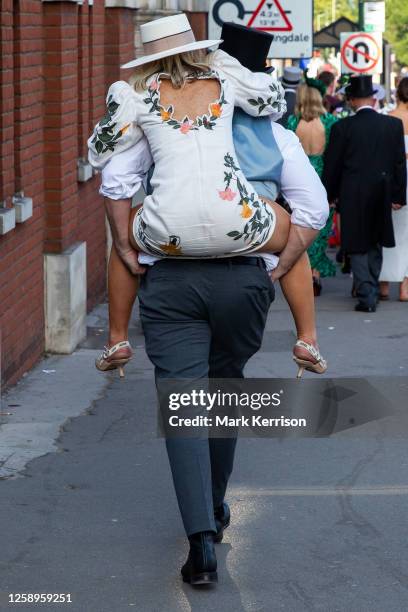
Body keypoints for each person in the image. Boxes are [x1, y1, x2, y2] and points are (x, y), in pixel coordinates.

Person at [88, 15, 329, 586]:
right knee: (224, 393)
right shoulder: (240, 96)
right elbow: (310, 209)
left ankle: (200, 537)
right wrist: (280, 266)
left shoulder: (138, 103)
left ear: (147, 58)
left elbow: (113, 177)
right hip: (243, 275)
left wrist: (125, 242)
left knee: (183, 405)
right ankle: (216, 511)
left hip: (171, 277)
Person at [323, 75, 407, 312]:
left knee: (357, 242)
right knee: (376, 240)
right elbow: (399, 163)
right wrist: (399, 196)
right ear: (373, 98)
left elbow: (333, 165)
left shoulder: (342, 128)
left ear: (351, 100)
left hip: (353, 192)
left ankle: (366, 291)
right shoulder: (392, 126)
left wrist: (329, 195)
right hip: (382, 189)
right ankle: (370, 285)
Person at [287, 74, 337, 295]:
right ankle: (315, 273)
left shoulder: (293, 122)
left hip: (299, 176)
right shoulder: (329, 123)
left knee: (301, 224)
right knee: (321, 226)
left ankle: (305, 273)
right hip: (324, 176)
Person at [379, 77, 408, 301]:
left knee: (388, 230)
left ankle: (384, 284)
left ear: (396, 94)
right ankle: (405, 287)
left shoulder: (388, 120)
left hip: (394, 179)